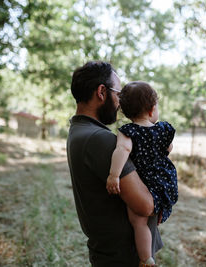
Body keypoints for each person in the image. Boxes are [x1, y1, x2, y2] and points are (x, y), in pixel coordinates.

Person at [66, 61, 163, 267]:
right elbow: (145, 205)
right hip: (124, 257)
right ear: (102, 92)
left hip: (110, 253)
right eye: (118, 93)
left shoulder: (79, 130)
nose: (120, 103)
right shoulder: (100, 139)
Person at [106, 81, 178, 266]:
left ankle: (146, 259)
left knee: (138, 221)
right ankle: (162, 209)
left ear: (125, 112)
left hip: (143, 180)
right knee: (156, 207)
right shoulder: (163, 129)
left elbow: (122, 150)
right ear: (152, 109)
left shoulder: (128, 131)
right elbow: (168, 148)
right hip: (164, 180)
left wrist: (114, 175)